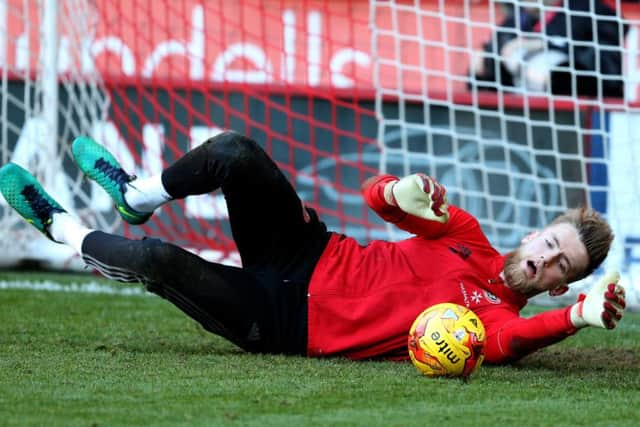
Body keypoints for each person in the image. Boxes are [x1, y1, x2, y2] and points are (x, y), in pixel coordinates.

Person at [0, 132, 627, 364]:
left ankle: (60, 229)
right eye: (548, 243)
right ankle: (137, 193)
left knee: (160, 261)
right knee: (236, 153)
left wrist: (576, 319)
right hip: (309, 250)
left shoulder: (497, 321)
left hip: (281, 322)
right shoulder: (467, 237)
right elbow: (375, 196)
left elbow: (512, 343)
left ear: (556, 284)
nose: (545, 257)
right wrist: (399, 190)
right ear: (530, 235)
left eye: (559, 264)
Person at [470, 0, 628, 97]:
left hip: (584, 115)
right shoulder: (521, 18)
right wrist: (483, 64)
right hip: (525, 115)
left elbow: (608, 74)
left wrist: (545, 46)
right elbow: (484, 67)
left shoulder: (589, 11)